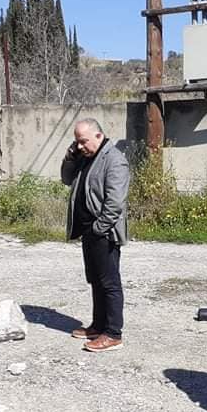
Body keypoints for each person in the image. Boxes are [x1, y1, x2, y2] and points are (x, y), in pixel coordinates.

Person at [61, 118, 130, 353]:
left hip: (104, 232)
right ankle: (98, 325)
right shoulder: (85, 157)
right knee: (96, 281)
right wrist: (70, 157)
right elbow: (66, 179)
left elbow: (115, 203)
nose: (80, 146)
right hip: (89, 231)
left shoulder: (114, 160)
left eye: (83, 141)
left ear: (98, 136)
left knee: (109, 283)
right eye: (76, 142)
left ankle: (113, 333)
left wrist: (98, 228)